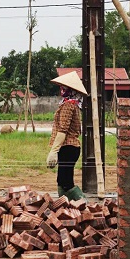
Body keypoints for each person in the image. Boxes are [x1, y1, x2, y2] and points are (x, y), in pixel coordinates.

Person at [46, 71, 87, 200]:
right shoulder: (71, 104)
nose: (61, 90)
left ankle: (83, 205)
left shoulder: (68, 105)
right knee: (61, 181)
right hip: (69, 148)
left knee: (66, 182)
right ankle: (64, 208)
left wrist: (54, 150)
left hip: (68, 147)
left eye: (64, 88)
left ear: (69, 90)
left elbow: (63, 130)